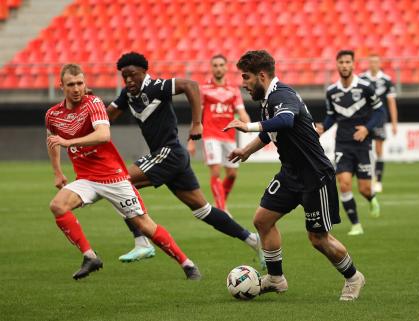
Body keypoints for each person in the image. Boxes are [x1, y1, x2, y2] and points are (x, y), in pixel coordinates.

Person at [223, 50, 365, 301]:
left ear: (262, 75)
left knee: (318, 238)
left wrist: (247, 126)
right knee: (263, 220)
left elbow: (286, 121)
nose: (243, 83)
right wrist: (246, 150)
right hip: (291, 173)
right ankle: (276, 278)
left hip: (315, 175)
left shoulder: (283, 95)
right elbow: (271, 132)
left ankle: (353, 277)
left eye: (246, 77)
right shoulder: (268, 100)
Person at [105, 52, 265, 268]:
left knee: (119, 183)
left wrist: (196, 123)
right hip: (173, 157)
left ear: (144, 72)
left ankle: (142, 241)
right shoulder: (128, 94)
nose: (129, 80)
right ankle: (253, 240)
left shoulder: (157, 86)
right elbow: (108, 116)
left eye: (133, 75)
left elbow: (190, 85)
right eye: (125, 77)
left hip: (167, 153)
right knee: (203, 210)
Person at [45, 63, 201, 280]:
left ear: (85, 84)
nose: (76, 88)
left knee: (145, 225)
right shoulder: (53, 115)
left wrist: (68, 141)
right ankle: (90, 256)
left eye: (80, 83)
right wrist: (57, 172)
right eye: (71, 84)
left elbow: (103, 135)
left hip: (113, 177)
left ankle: (187, 263)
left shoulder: (93, 104)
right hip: (86, 179)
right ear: (60, 85)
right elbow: (52, 141)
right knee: (58, 206)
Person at [317, 50, 384, 236]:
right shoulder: (331, 91)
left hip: (363, 145)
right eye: (341, 62)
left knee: (364, 188)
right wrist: (323, 127)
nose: (345, 65)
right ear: (337, 65)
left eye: (348, 62)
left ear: (353, 64)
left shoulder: (365, 87)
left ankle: (371, 198)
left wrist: (367, 129)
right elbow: (332, 116)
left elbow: (380, 111)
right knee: (344, 184)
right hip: (343, 144)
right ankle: (356, 224)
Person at [187, 54, 251, 212]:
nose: (218, 68)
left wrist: (248, 125)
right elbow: (197, 116)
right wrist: (191, 140)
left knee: (232, 174)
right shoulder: (203, 89)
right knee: (215, 171)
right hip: (210, 135)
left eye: (221, 65)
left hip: (229, 136)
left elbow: (242, 112)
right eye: (215, 65)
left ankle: (221, 202)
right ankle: (222, 209)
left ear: (226, 67)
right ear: (211, 68)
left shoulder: (233, 90)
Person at [360, 54, 398, 193]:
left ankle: (378, 180)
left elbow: (391, 103)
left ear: (379, 63)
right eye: (371, 62)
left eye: (376, 62)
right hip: (363, 120)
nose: (373, 64)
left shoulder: (386, 80)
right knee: (364, 149)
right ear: (368, 63)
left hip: (380, 119)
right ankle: (366, 179)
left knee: (378, 150)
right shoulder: (362, 79)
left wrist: (394, 123)